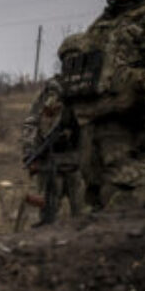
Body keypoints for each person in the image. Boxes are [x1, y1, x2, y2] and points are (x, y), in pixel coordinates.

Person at [74, 0, 145, 209]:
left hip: (129, 127)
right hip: (95, 126)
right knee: (94, 199)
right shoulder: (103, 23)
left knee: (119, 198)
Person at [20, 35, 89, 224]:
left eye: (77, 58)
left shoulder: (91, 89)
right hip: (51, 164)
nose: (73, 63)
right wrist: (29, 152)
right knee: (46, 220)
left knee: (86, 220)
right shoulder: (53, 90)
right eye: (69, 59)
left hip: (80, 165)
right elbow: (32, 122)